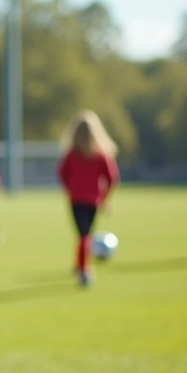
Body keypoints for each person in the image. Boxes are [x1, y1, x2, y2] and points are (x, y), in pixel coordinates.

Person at [58, 110, 119, 286]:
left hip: (77, 200)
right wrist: (106, 198)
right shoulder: (100, 155)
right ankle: (81, 265)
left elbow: (62, 174)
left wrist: (70, 189)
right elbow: (112, 178)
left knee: (84, 234)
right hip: (94, 200)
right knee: (85, 234)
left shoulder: (72, 155)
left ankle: (84, 269)